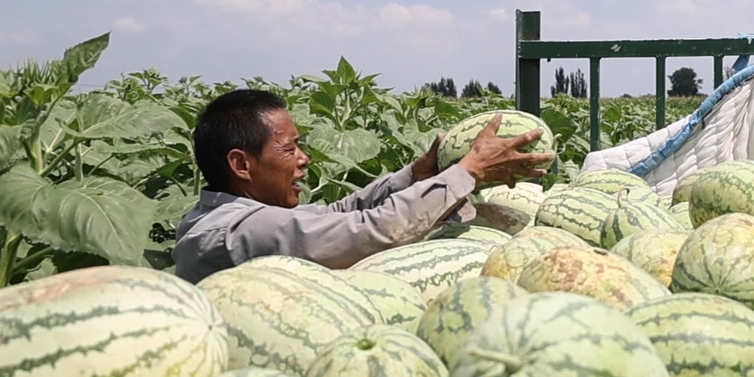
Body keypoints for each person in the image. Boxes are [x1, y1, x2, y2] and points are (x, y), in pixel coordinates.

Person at [173, 88, 553, 283]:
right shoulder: (236, 231)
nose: (304, 159)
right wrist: (469, 171)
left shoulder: (237, 215)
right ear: (241, 164)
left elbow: (337, 214)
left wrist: (415, 175)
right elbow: (368, 232)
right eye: (290, 149)